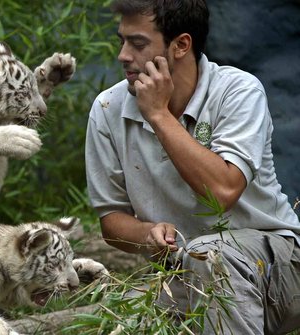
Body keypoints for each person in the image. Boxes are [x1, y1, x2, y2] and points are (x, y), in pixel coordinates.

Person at [84, 0, 300, 333]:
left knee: (208, 255)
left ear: (181, 45)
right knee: (123, 323)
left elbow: (222, 191)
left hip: (277, 267)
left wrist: (158, 115)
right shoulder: (108, 107)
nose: (123, 55)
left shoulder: (238, 91)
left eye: (138, 43)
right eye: (121, 41)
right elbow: (111, 221)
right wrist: (147, 234)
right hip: (183, 272)